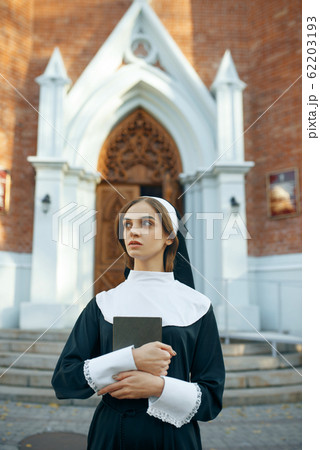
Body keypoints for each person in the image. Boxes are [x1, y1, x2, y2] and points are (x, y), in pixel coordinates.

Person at [52, 196, 225, 449]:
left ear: (169, 236)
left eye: (146, 223)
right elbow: (65, 381)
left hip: (175, 439)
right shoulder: (103, 304)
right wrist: (132, 359)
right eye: (128, 224)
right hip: (111, 435)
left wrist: (158, 386)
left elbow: (211, 400)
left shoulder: (197, 306)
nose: (133, 231)